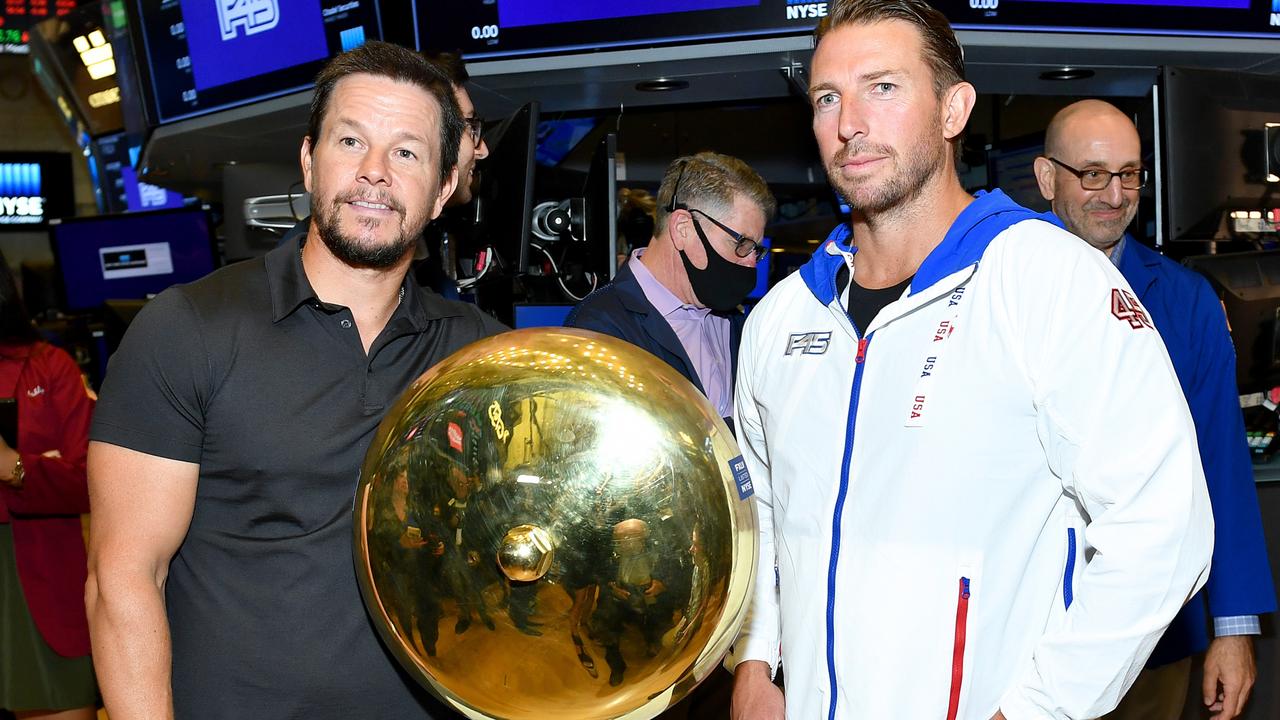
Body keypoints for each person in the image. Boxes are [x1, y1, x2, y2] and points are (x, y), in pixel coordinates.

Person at [729, 1, 1214, 719]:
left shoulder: (1047, 279)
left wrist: (1036, 709)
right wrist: (756, 660)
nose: (849, 123)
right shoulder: (780, 320)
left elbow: (1164, 526)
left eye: (883, 87)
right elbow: (759, 511)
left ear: (954, 109)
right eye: (828, 97)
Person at [85, 40, 507, 720]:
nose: (375, 173)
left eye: (406, 153)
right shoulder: (188, 328)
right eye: (350, 141)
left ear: (443, 189)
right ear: (310, 161)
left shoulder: (481, 355)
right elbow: (122, 580)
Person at [1033, 99, 1276, 720]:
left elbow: (1219, 462)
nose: (1114, 195)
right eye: (1092, 174)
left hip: (1151, 638)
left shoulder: (1188, 300)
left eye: (1130, 174)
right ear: (1045, 178)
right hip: (1022, 635)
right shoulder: (992, 286)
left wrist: (1233, 625)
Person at [566, 152, 774, 429]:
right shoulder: (599, 331)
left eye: (755, 250)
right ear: (683, 228)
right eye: (741, 244)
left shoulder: (737, 321)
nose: (750, 262)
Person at [0, 250, 96, 720]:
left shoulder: (47, 366)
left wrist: (14, 467)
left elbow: (85, 481)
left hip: (34, 575)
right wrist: (43, 465)